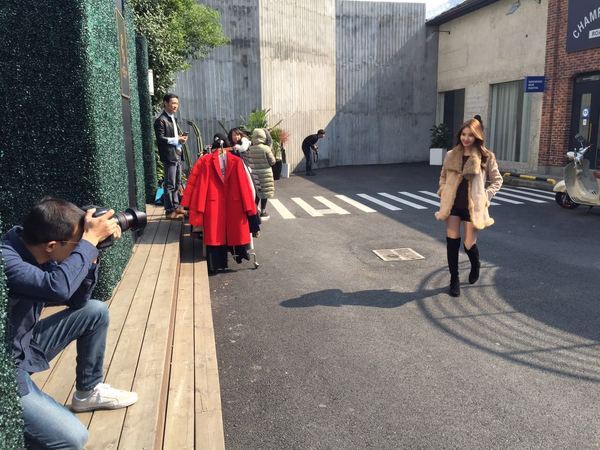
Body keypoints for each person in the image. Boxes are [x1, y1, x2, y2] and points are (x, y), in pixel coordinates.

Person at [1, 198, 139, 449]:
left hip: (24, 345)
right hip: (6, 369)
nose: (79, 250)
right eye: (77, 244)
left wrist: (91, 255)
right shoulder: (6, 261)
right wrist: (88, 244)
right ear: (52, 246)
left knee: (94, 311)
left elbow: (78, 301)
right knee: (73, 438)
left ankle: (87, 392)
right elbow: (58, 288)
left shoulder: (40, 246)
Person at [435, 118, 503, 297]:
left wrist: (486, 196)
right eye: (463, 134)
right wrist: (443, 189)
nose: (466, 138)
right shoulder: (451, 154)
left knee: (468, 244)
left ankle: (475, 264)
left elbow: (497, 180)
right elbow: (443, 176)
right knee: (452, 243)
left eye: (470, 135)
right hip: (452, 205)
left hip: (473, 207)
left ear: (477, 136)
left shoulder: (486, 156)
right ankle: (454, 279)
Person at [154, 93, 188, 219]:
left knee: (177, 182)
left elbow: (174, 136)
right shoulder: (160, 120)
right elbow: (160, 139)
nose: (175, 106)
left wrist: (181, 139)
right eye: (173, 103)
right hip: (169, 156)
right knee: (169, 184)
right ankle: (169, 211)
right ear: (165, 103)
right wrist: (177, 139)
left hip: (177, 154)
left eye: (177, 103)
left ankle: (176, 207)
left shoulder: (173, 118)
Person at [247, 128, 276, 220]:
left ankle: (254, 210)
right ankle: (263, 211)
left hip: (254, 174)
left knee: (256, 192)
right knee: (264, 193)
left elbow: (248, 161)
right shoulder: (266, 148)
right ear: (263, 136)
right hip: (265, 174)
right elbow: (273, 162)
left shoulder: (250, 149)